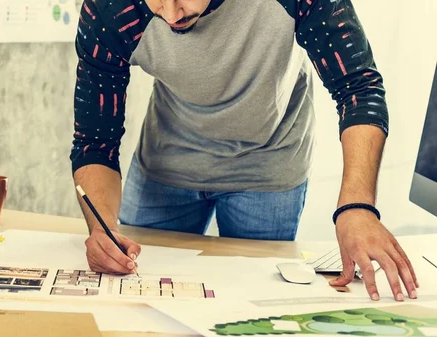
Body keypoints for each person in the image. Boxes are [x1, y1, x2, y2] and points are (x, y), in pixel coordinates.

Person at [69, 0, 418, 302]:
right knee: (136, 293)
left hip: (268, 162)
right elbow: (94, 143)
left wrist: (357, 207)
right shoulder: (109, 10)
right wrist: (102, 229)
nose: (171, 13)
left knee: (257, 297)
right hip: (168, 159)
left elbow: (358, 88)